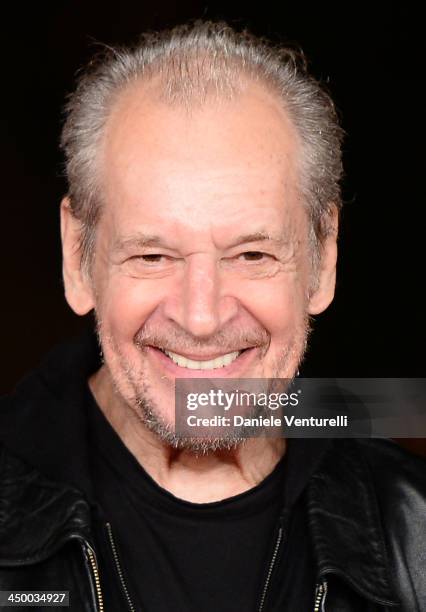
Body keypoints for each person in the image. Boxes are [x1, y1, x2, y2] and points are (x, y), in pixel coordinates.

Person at [0, 20, 425, 612]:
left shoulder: (415, 529)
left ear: (322, 258)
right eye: (152, 255)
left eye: (252, 254)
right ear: (79, 256)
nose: (201, 318)